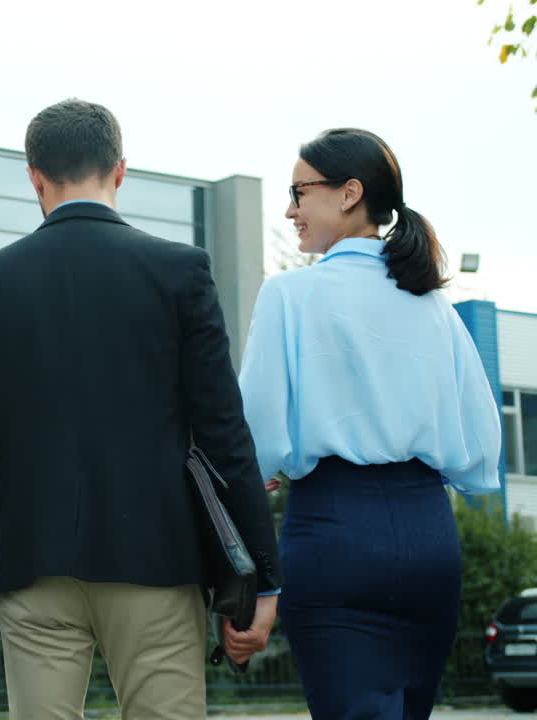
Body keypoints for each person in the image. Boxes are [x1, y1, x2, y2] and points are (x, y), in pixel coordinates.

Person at [0, 98, 282, 719]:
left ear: (34, 177)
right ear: (120, 170)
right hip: (158, 561)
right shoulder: (180, 272)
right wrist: (263, 577)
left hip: (35, 566)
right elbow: (225, 434)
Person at [239, 128, 502, 719]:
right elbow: (481, 449)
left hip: (334, 532)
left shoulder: (289, 295)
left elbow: (254, 432)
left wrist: (258, 475)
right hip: (429, 533)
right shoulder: (433, 304)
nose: (290, 210)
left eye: (298, 192)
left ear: (350, 193)